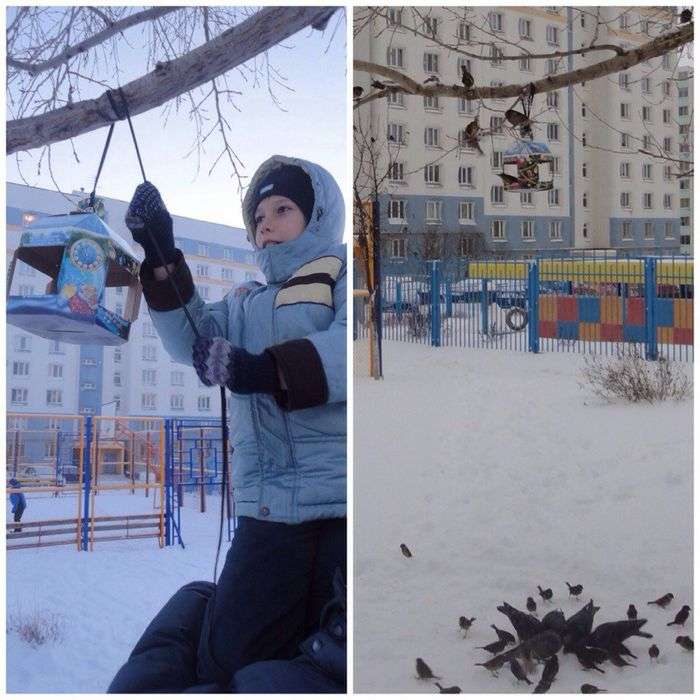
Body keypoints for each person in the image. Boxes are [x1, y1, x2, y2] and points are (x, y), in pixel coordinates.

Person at [110, 155, 346, 692]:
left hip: (340, 503)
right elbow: (191, 335)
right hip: (268, 509)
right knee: (228, 661)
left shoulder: (339, 273)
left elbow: (348, 351)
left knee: (330, 655)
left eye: (282, 208)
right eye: (258, 215)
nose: (266, 222)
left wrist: (260, 370)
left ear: (318, 216)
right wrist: (163, 255)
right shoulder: (243, 300)